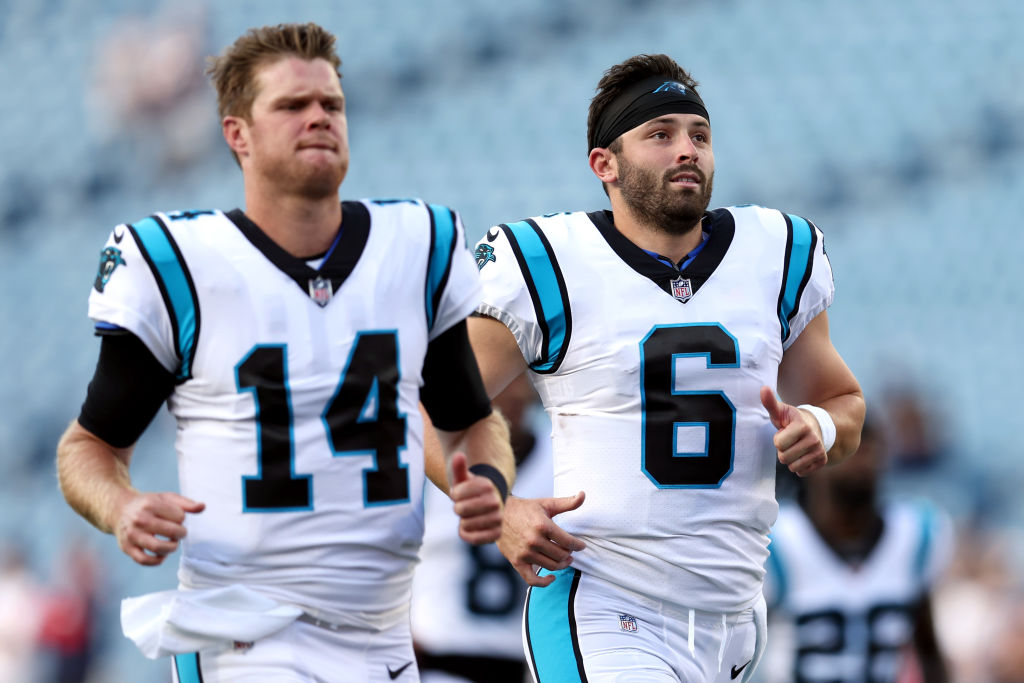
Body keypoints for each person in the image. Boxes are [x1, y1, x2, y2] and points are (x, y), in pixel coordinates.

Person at [55, 22, 514, 683]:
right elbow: (87, 448)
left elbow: (472, 421)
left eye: (331, 104)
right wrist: (120, 505)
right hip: (245, 637)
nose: (319, 118)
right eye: (292, 106)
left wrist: (488, 481)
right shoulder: (180, 265)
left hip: (382, 637)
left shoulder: (416, 244)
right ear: (237, 134)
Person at [427, 53, 865, 682]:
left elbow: (845, 403)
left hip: (735, 621)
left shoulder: (777, 253)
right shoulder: (551, 262)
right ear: (603, 164)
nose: (686, 149)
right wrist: (497, 507)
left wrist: (821, 427)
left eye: (699, 135)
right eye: (660, 135)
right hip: (605, 605)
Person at [762, 416, 953, 683]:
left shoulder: (913, 535)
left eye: (867, 447)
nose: (859, 460)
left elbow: (928, 649)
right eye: (846, 448)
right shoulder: (778, 542)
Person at [412, 375, 552, 683]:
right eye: (503, 384)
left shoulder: (562, 462)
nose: (512, 394)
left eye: (519, 382)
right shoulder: (429, 468)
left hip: (525, 665)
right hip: (436, 658)